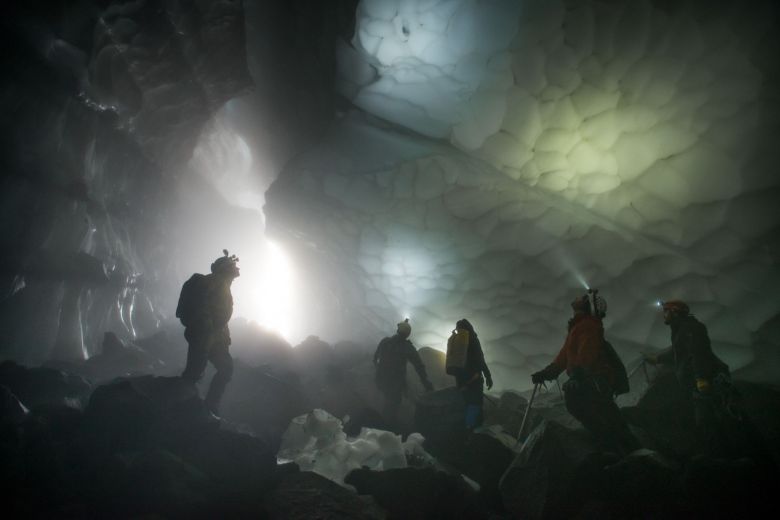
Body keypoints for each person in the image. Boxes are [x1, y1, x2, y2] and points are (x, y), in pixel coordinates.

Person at [532, 291, 639, 456]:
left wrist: (576, 375)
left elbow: (586, 352)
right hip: (592, 382)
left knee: (600, 417)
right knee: (610, 420)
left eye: (581, 298)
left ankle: (616, 452)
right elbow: (565, 357)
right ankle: (625, 452)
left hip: (592, 383)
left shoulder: (588, 325)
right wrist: (546, 373)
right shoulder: (579, 327)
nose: (577, 298)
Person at [643, 300, 737, 457]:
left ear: (675, 312)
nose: (664, 315)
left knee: (706, 421)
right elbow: (679, 351)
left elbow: (698, 352)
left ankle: (720, 456)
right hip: (695, 383)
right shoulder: (682, 329)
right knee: (706, 419)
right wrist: (657, 359)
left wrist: (701, 379)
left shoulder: (690, 328)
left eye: (666, 311)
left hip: (704, 383)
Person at [176, 250, 240, 415]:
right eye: (232, 270)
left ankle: (207, 406)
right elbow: (203, 306)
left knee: (222, 369)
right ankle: (182, 405)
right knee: (196, 370)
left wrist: (223, 337)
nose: (235, 275)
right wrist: (206, 329)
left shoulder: (223, 286)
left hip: (214, 337)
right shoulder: (212, 282)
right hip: (204, 335)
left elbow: (220, 315)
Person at [374, 318, 434, 425]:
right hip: (395, 382)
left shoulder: (385, 341)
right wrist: (426, 383)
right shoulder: (407, 347)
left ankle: (382, 423)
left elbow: (375, 358)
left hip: (381, 379)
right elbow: (419, 366)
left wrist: (379, 371)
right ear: (408, 334)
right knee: (393, 403)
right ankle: (387, 427)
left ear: (398, 330)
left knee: (387, 401)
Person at [452, 319, 493, 431]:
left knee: (466, 405)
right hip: (475, 380)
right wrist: (488, 376)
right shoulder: (473, 339)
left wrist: (459, 382)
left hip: (461, 381)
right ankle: (474, 432)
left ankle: (465, 430)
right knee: (476, 405)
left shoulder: (456, 341)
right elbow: (480, 359)